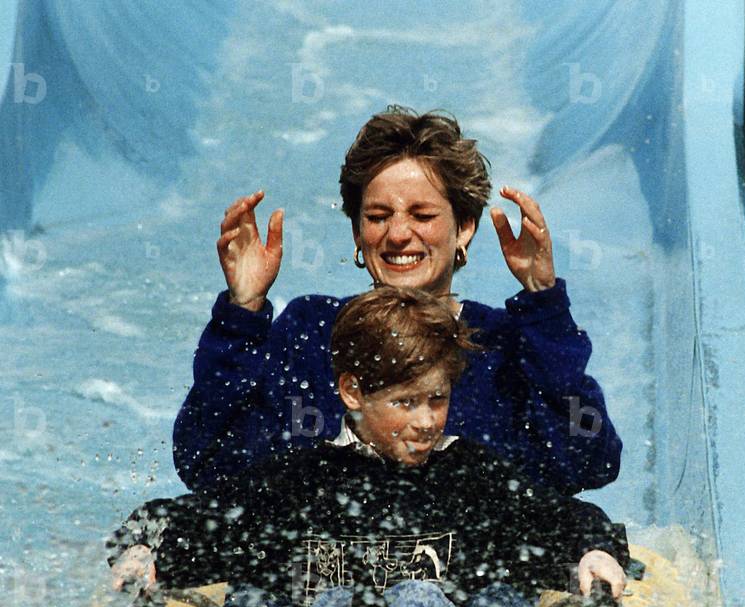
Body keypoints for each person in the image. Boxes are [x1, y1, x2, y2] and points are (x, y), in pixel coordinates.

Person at [112, 287, 629, 607]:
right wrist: (143, 549)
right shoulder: (300, 482)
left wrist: (595, 549)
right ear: (353, 393)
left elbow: (558, 518)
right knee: (256, 595)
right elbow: (192, 519)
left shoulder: (471, 477)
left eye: (438, 399)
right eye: (405, 403)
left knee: (492, 594)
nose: (426, 421)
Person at [172, 107, 622, 496]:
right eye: (377, 216)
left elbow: (589, 461)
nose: (398, 234)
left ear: (464, 227)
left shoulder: (500, 346)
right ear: (356, 232)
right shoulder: (311, 333)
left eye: (423, 216)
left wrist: (544, 306)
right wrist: (242, 312)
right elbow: (206, 462)